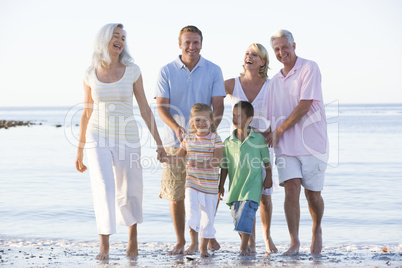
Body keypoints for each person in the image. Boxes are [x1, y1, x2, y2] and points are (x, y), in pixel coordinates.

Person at [75, 23, 166, 259]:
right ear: (103, 40)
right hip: (97, 136)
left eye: (123, 37)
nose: (120, 40)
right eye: (115, 36)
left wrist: (159, 142)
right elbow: (86, 112)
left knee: (130, 189)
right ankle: (104, 244)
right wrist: (79, 150)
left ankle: (132, 238)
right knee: (103, 187)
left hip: (127, 137)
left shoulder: (133, 70)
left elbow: (145, 109)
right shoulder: (89, 73)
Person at [155, 25, 225, 254]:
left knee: (205, 194)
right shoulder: (166, 71)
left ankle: (205, 238)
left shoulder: (214, 70)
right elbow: (161, 107)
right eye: (187, 42)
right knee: (177, 195)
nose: (191, 47)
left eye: (196, 42)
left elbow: (219, 106)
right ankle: (182, 241)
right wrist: (176, 127)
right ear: (180, 44)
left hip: (204, 142)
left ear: (201, 44)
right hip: (175, 141)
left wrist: (206, 134)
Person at [266, 29, 328, 255]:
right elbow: (271, 116)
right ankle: (294, 242)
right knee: (290, 191)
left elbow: (305, 104)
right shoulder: (274, 81)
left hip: (312, 142)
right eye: (277, 49)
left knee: (312, 193)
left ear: (294, 46)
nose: (282, 52)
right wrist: (260, 138)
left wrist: (279, 129)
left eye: (285, 47)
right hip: (285, 146)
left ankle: (317, 229)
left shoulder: (309, 67)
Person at [225, 43, 277, 253]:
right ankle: (249, 242)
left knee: (264, 195)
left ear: (263, 61)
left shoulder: (272, 85)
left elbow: (282, 109)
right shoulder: (230, 84)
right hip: (237, 150)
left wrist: (272, 130)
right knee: (242, 194)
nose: (250, 57)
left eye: (255, 54)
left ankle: (266, 237)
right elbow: (210, 98)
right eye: (247, 53)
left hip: (262, 147)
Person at [162, 103, 223, 257]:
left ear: (211, 120)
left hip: (209, 186)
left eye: (204, 120)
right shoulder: (188, 139)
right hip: (192, 183)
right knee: (191, 211)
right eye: (197, 120)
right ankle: (193, 243)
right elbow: (177, 157)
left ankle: (203, 248)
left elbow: (218, 161)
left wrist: (201, 163)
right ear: (192, 121)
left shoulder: (215, 139)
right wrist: (165, 157)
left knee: (207, 217)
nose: (201, 123)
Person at [219, 101, 273, 256]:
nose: (235, 119)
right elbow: (224, 167)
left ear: (250, 119)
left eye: (240, 116)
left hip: (253, 186)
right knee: (238, 218)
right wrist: (221, 185)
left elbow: (267, 162)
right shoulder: (228, 142)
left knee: (247, 214)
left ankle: (243, 247)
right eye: (234, 115)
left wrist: (268, 177)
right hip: (236, 187)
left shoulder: (258, 140)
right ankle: (249, 245)